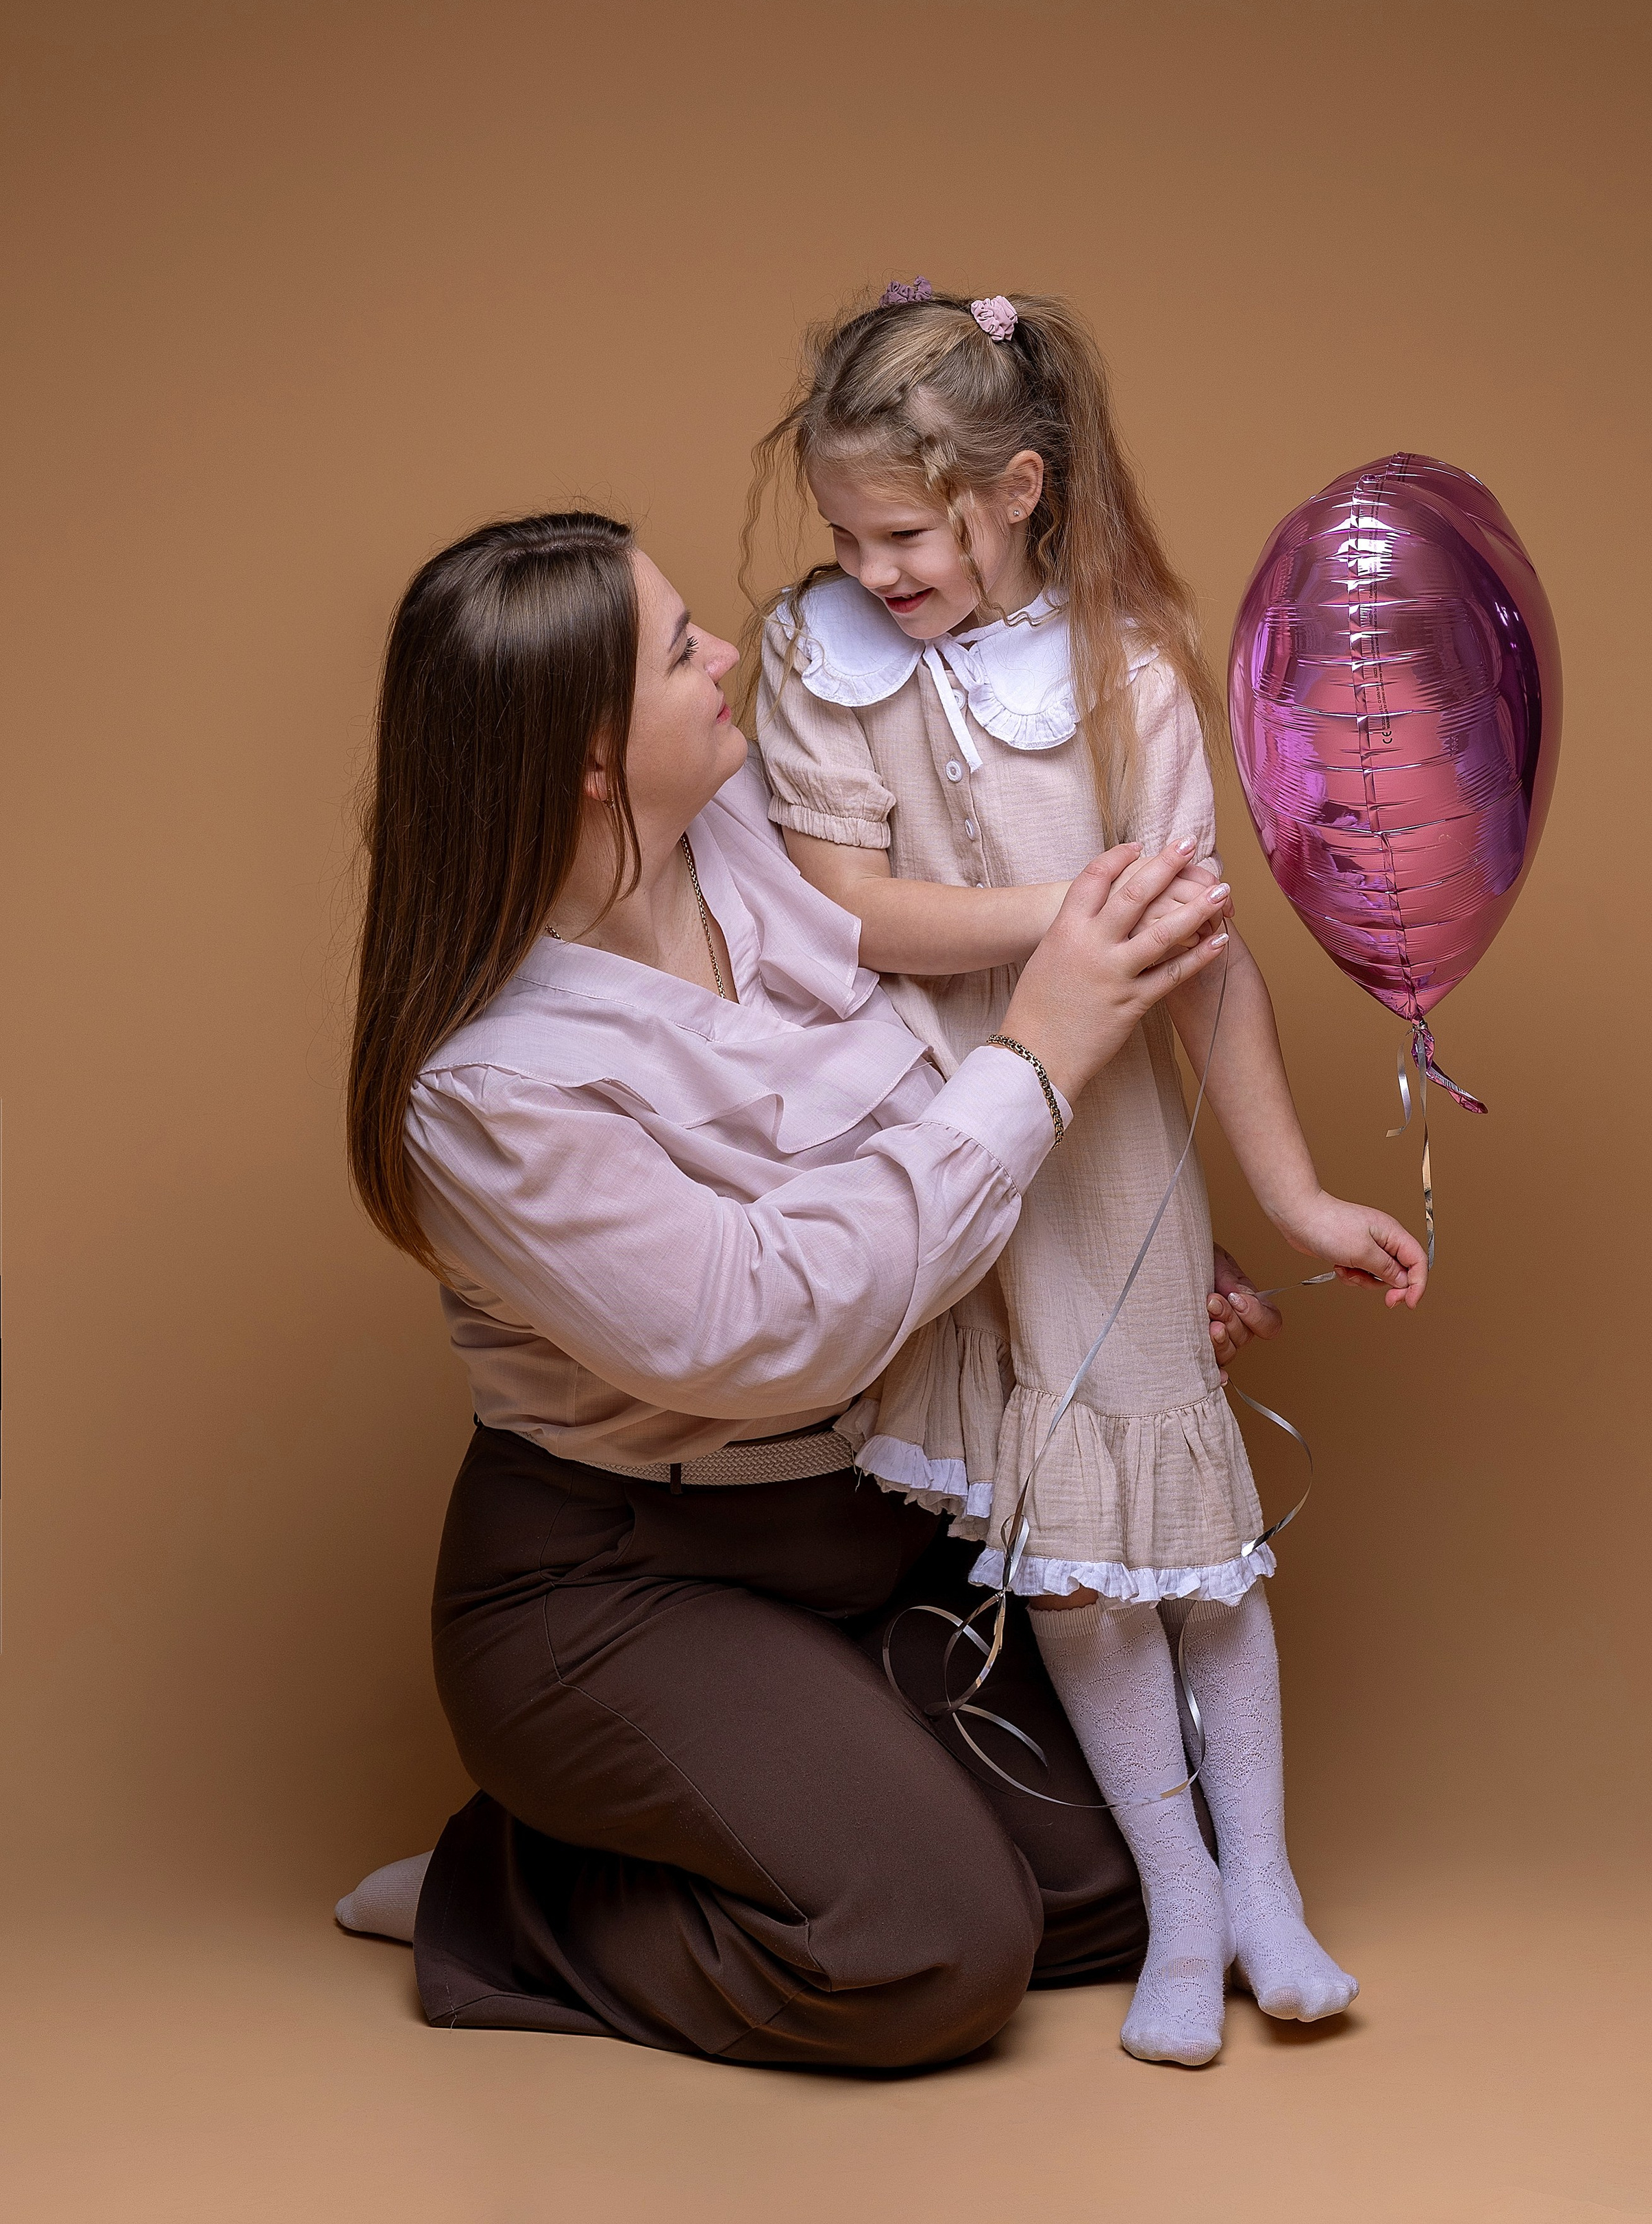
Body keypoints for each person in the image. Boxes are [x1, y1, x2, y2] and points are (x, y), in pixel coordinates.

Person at [336, 506, 1239, 2069]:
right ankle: (509, 1890)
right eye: (677, 648)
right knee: (938, 1948)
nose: (727, 654)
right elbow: (764, 1324)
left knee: (1148, 1864)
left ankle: (789, 1784)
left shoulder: (757, 828)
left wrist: (1135, 1254)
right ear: (591, 758)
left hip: (879, 1515)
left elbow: (948, 1066)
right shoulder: (485, 1086)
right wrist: (1042, 1055)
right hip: (622, 1577)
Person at [750, 282, 1427, 2066]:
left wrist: (1292, 1198)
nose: (871, 569)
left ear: (1018, 488)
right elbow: (841, 904)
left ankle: (1261, 1886)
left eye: (904, 537)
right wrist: (1073, 913)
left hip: (1108, 1158)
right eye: (847, 534)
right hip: (936, 1131)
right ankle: (1176, 1901)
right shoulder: (816, 656)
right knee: (1063, 1560)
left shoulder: (1124, 670)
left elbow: (1203, 964)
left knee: (1188, 1545)